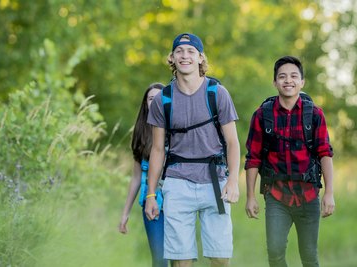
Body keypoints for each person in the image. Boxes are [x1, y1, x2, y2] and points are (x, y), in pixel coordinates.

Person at [145, 33, 240, 267]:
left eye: (190, 51)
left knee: (220, 258)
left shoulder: (217, 93)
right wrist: (150, 194)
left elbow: (233, 142)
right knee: (180, 260)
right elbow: (157, 150)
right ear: (172, 58)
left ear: (200, 58)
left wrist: (234, 181)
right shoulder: (162, 100)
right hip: (177, 182)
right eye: (179, 51)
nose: (184, 56)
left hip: (215, 181)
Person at [245, 56, 335, 267]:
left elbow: (325, 154)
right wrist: (250, 196)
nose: (288, 81)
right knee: (275, 253)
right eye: (282, 76)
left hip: (309, 195)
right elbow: (253, 158)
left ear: (302, 82)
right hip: (276, 196)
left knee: (309, 257)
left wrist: (329, 193)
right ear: (275, 82)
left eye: (294, 76)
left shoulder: (314, 114)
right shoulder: (262, 115)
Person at [119, 82, 168, 267]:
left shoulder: (175, 129)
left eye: (159, 98)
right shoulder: (141, 133)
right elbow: (136, 177)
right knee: (160, 258)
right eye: (150, 98)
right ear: (145, 104)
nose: (154, 102)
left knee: (180, 258)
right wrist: (125, 213)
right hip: (152, 202)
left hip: (177, 199)